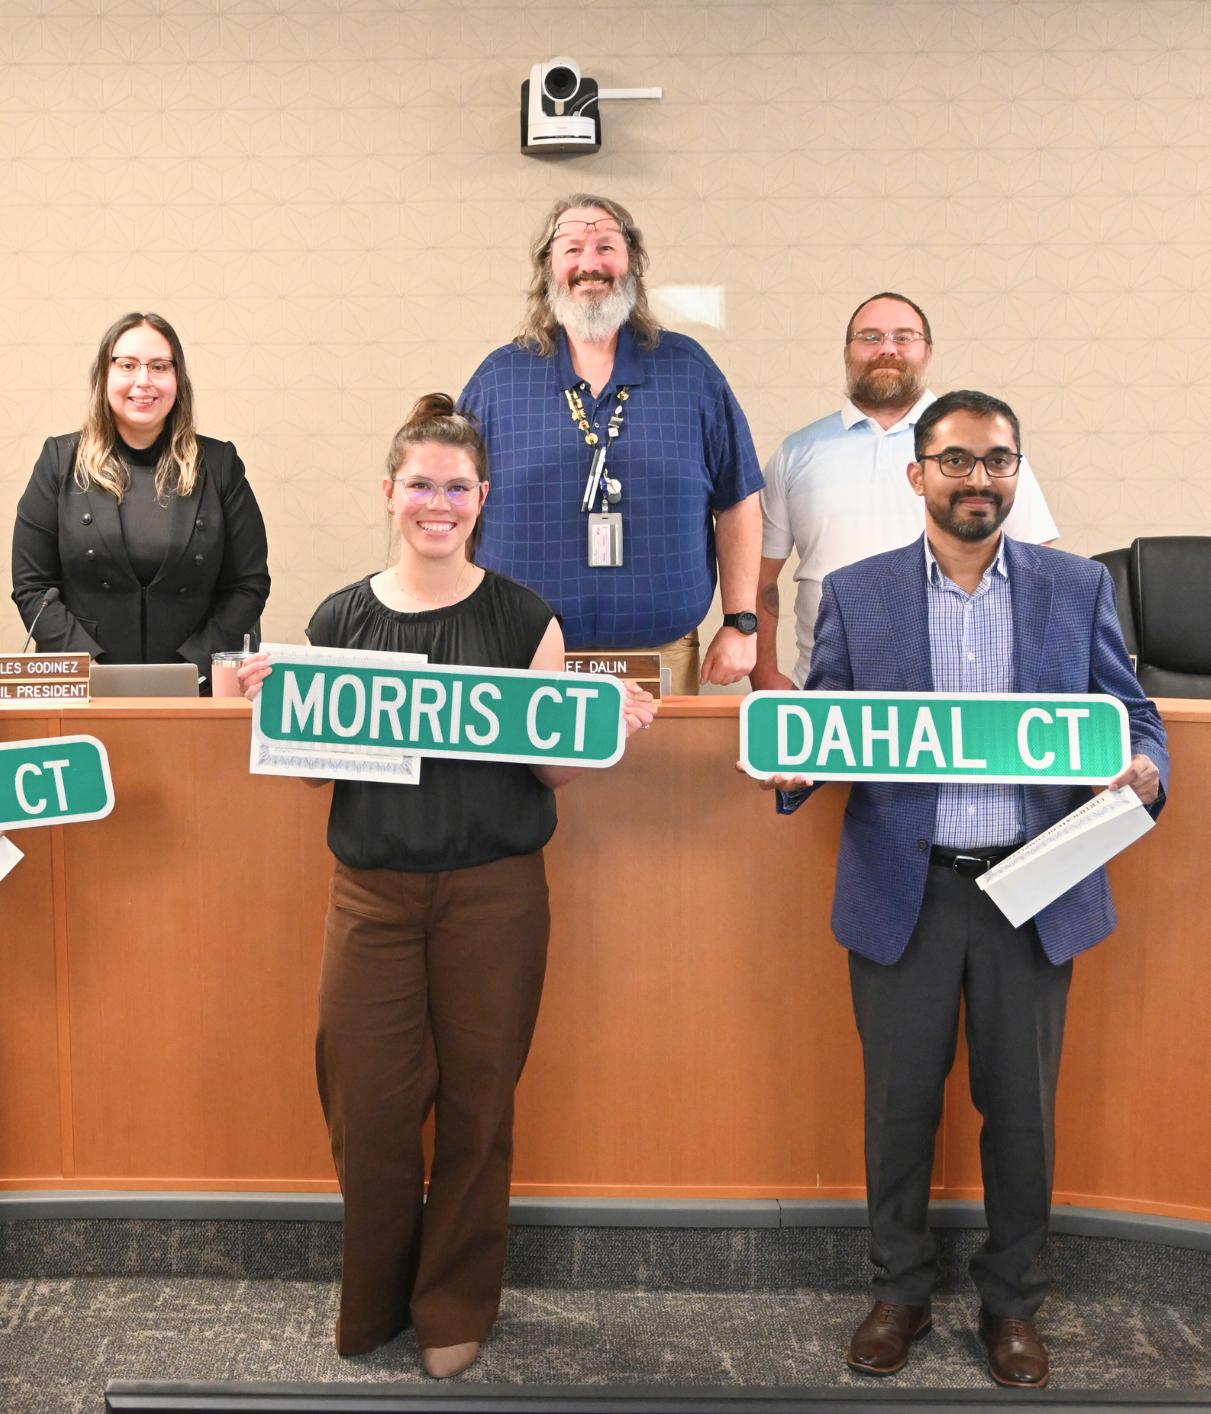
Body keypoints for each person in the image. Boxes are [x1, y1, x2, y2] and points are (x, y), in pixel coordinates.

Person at [239, 396, 659, 1379]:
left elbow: (549, 772)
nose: (437, 503)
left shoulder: (522, 616)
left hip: (493, 896)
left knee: (477, 1106)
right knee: (367, 1108)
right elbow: (315, 771)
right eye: (420, 485)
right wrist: (272, 705)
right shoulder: (338, 616)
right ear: (388, 493)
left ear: (481, 500)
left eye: (456, 488)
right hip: (371, 899)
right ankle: (375, 1297)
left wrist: (599, 726)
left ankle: (454, 1301)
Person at [763, 392, 1167, 1388]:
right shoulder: (859, 593)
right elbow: (824, 721)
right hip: (907, 891)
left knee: (1019, 1113)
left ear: (1015, 475)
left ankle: (1010, 1306)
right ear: (918, 475)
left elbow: (1135, 716)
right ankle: (897, 1291)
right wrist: (789, 764)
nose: (976, 478)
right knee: (897, 1110)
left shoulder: (1074, 588)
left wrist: (1146, 770)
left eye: (996, 462)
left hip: (1033, 890)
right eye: (954, 461)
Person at [460, 194, 763, 695]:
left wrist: (741, 621)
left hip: (662, 657)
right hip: (520, 656)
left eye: (606, 246)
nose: (589, 264)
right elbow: (457, 508)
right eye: (572, 249)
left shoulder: (690, 371)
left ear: (632, 265)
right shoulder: (499, 379)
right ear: (548, 269)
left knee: (660, 778)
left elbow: (739, 499)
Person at [754, 294, 1060, 689]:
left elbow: (1041, 567)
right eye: (870, 337)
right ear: (847, 353)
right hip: (829, 691)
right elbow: (761, 576)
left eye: (904, 337)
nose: (886, 348)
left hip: (967, 688)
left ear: (928, 353)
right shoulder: (796, 453)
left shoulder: (982, 449)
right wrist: (764, 673)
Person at [12, 313, 269, 687]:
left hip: (197, 686)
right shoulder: (59, 460)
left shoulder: (219, 465)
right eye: (127, 365)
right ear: (104, 375)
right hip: (83, 686)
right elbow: (32, 586)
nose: (143, 381)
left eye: (160, 367)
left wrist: (192, 669)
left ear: (178, 380)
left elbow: (249, 584)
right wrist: (87, 669)